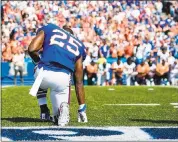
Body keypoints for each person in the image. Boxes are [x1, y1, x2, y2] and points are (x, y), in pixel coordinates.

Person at [28, 23, 88, 126]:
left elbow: (32, 49)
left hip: (43, 74)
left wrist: (38, 62)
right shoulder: (79, 45)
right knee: (58, 116)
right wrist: (82, 108)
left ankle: (44, 110)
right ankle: (62, 108)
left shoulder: (50, 28)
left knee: (37, 71)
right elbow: (79, 81)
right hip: (62, 79)